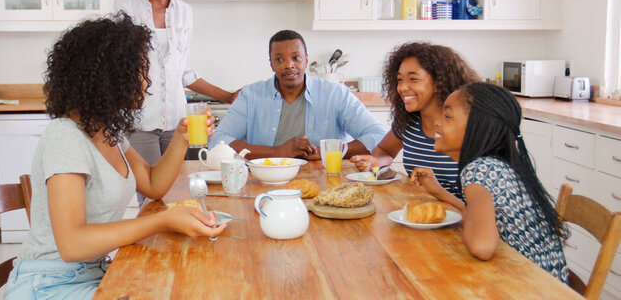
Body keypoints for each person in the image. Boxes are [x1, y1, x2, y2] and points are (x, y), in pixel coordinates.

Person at [3, 14, 226, 300]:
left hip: (91, 273)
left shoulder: (108, 131)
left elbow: (152, 184)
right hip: (49, 285)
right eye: (141, 71)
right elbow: (72, 244)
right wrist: (163, 221)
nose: (147, 81)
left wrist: (182, 139)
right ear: (111, 76)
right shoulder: (65, 136)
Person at [420, 82, 568, 282]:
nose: (437, 122)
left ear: (477, 128)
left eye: (447, 116)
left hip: (531, 288)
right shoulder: (495, 164)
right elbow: (484, 217)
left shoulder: (479, 170)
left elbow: (483, 246)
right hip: (545, 283)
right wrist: (439, 192)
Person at [112, 0, 239, 169]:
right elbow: (116, 67)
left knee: (179, 188)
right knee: (151, 195)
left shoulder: (184, 12)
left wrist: (228, 96)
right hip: (139, 122)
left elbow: (184, 73)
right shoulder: (124, 8)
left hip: (177, 122)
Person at [209, 30, 386, 160]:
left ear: (306, 60)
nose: (289, 65)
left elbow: (378, 136)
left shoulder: (335, 94)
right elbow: (217, 142)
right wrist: (278, 152)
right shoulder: (250, 95)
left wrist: (327, 152)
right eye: (279, 60)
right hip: (263, 182)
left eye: (296, 58)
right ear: (271, 64)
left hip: (326, 184)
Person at [350, 42, 479, 207]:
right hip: (422, 215)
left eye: (413, 79)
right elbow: (385, 150)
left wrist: (439, 193)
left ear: (439, 83)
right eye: (399, 80)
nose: (402, 87)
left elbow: (485, 212)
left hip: (464, 222)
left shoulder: (467, 125)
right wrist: (377, 162)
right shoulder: (408, 121)